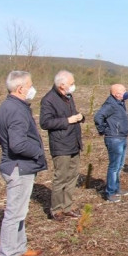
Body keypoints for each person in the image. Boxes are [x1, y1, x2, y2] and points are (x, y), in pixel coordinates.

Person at [0, 71, 47, 256]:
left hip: (16, 165)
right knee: (14, 214)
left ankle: (20, 247)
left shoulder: (7, 106)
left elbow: (0, 138)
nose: (32, 89)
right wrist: (38, 151)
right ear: (20, 88)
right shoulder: (16, 110)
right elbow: (17, 144)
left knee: (20, 210)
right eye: (30, 85)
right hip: (19, 167)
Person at [40, 70, 84, 221]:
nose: (73, 86)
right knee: (61, 178)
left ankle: (68, 207)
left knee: (72, 176)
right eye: (71, 84)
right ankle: (57, 210)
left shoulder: (68, 96)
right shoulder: (48, 100)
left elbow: (72, 114)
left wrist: (79, 117)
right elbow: (45, 123)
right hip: (61, 145)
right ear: (61, 85)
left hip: (73, 143)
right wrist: (68, 120)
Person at [94, 84, 128, 202]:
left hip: (122, 137)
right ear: (116, 94)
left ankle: (116, 189)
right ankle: (110, 192)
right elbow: (98, 117)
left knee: (119, 166)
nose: (126, 92)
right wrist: (104, 130)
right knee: (114, 167)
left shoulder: (120, 102)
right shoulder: (110, 104)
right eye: (123, 90)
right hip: (114, 139)